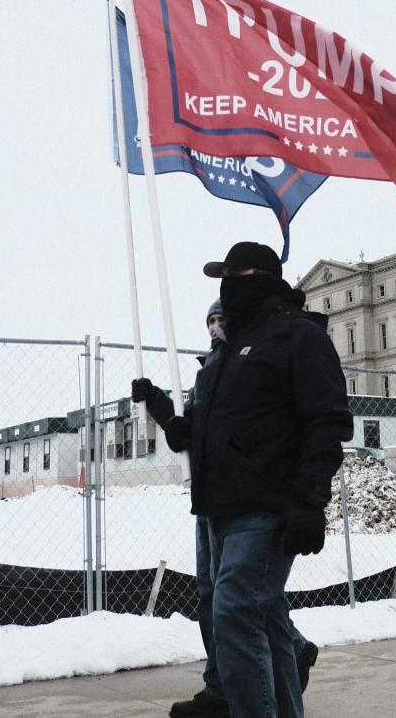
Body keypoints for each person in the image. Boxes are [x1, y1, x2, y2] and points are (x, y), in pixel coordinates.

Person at [133, 242, 351, 718]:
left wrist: (309, 501)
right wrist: (158, 406)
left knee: (233, 611)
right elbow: (193, 433)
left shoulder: (297, 336)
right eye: (221, 277)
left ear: (265, 277)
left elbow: (328, 422)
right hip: (218, 509)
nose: (226, 286)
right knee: (266, 622)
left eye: (235, 274)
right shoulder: (224, 356)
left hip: (267, 506)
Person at [168, 299, 319, 718]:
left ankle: (232, 686)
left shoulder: (262, 360)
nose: (216, 326)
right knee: (225, 595)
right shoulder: (209, 370)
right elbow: (199, 433)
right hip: (213, 494)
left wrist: (307, 501)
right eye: (210, 320)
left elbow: (311, 423)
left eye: (222, 318)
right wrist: (168, 416)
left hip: (251, 497)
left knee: (236, 602)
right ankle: (229, 680)